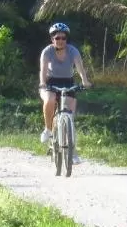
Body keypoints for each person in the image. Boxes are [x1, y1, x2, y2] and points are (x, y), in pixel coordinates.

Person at [39, 22, 92, 162]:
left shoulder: (73, 50)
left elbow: (79, 66)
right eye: (57, 38)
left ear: (66, 39)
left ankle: (72, 152)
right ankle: (48, 129)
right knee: (49, 100)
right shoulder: (47, 51)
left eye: (63, 38)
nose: (60, 41)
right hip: (50, 82)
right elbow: (43, 69)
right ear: (52, 39)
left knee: (69, 117)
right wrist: (43, 83)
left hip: (67, 82)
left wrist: (85, 81)